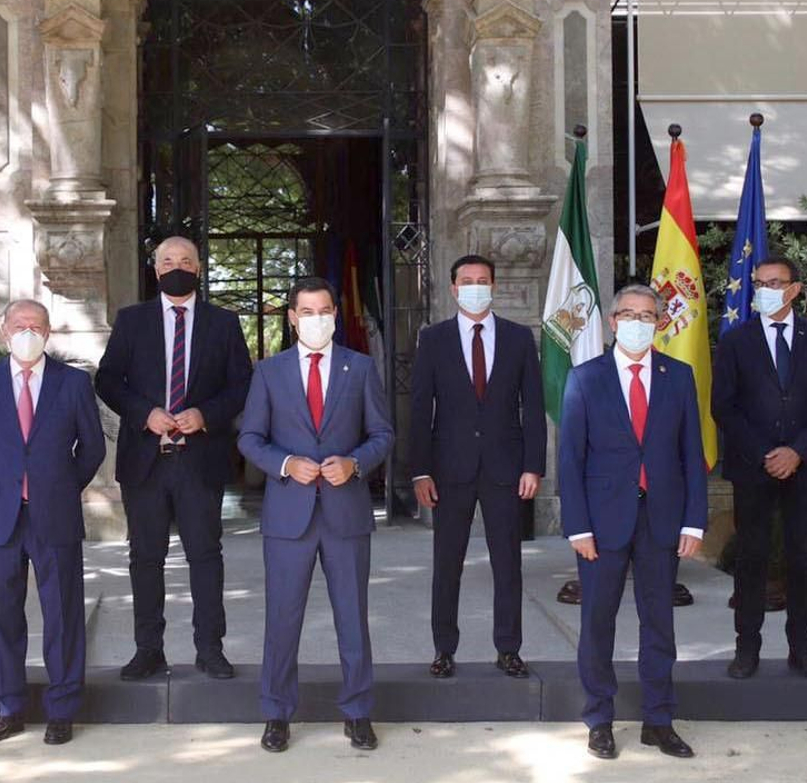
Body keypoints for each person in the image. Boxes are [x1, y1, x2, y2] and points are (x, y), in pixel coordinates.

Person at [238, 277, 394, 753]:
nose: (316, 318)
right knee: (282, 620)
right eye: (307, 311)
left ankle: (358, 711)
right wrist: (286, 464)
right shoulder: (269, 372)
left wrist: (356, 464)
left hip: (345, 513)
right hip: (289, 516)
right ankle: (277, 714)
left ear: (335, 314)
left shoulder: (361, 367)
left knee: (353, 618)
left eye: (324, 310)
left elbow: (383, 434)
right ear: (292, 317)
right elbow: (249, 439)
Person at [558, 284, 708, 761]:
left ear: (660, 322)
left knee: (659, 623)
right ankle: (599, 719)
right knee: (597, 622)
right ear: (612, 322)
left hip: (661, 521)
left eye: (648, 314)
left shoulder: (678, 376)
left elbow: (691, 455)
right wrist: (577, 527)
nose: (639, 322)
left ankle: (658, 720)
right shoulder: (585, 378)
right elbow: (570, 458)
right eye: (629, 314)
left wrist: (695, 522)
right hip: (602, 525)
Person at [96, 236, 252, 681]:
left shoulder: (223, 323)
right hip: (146, 459)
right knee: (145, 557)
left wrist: (205, 415)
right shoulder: (132, 321)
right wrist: (145, 414)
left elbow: (242, 383)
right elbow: (107, 380)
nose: (177, 266)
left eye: (186, 260)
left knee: (206, 555)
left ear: (199, 268)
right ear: (156, 268)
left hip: (199, 459)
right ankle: (148, 649)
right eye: (168, 261)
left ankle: (210, 649)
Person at [0, 299, 105, 746]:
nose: (28, 331)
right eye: (20, 324)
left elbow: (93, 448)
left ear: (48, 333)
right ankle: (7, 706)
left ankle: (62, 709)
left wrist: (59, 486)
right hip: (2, 514)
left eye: (36, 325)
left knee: (62, 612)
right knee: (3, 614)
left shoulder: (73, 383)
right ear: (4, 331)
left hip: (55, 514)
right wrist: (3, 486)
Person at [409, 253, 544, 680]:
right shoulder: (433, 339)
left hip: (506, 470)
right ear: (453, 288)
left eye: (482, 280)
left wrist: (533, 466)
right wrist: (420, 470)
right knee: (447, 564)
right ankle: (443, 649)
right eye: (466, 280)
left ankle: (508, 649)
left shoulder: (520, 338)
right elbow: (419, 410)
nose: (474, 286)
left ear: (494, 286)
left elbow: (534, 408)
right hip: (450, 472)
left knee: (508, 564)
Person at [712, 256, 807, 681]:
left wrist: (797, 452)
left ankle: (802, 649)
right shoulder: (736, 340)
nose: (765, 290)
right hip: (754, 467)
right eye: (759, 283)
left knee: (803, 558)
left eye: (774, 283)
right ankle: (746, 647)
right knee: (751, 557)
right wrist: (767, 452)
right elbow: (724, 407)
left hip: (804, 468)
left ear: (794, 290)